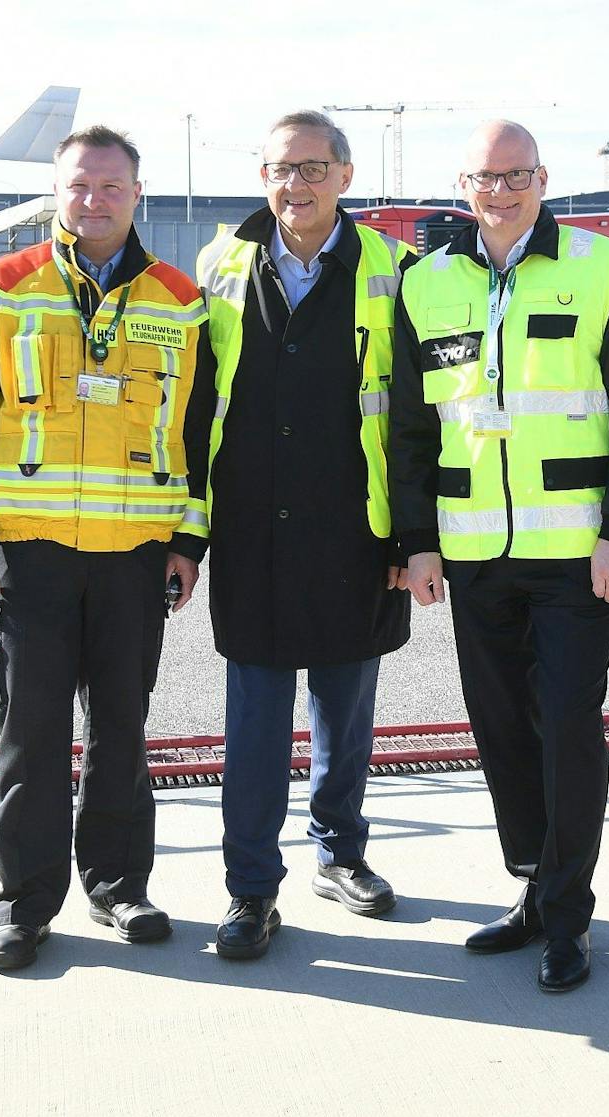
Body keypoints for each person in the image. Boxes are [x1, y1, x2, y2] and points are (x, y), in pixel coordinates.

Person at [0, 126, 212, 971]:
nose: (94, 200)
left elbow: (198, 436)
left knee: (124, 730)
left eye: (111, 187)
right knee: (33, 734)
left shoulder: (180, 300)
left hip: (134, 558)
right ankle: (23, 903)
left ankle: (119, 884)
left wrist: (188, 543)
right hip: (31, 554)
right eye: (80, 186)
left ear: (137, 193)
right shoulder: (0, 289)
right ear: (58, 192)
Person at [389, 120, 609, 993]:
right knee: (501, 725)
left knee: (569, 728)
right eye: (484, 177)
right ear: (462, 185)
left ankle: (570, 916)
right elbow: (408, 425)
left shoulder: (603, 269)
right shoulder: (423, 283)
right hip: (474, 553)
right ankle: (533, 887)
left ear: (543, 178)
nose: (500, 192)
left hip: (579, 553)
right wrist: (418, 541)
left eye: (516, 176)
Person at [188, 110, 415, 960]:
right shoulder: (220, 266)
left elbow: (415, 414)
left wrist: (409, 537)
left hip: (357, 529)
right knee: (252, 724)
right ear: (263, 176)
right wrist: (191, 531)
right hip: (250, 527)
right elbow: (196, 402)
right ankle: (250, 890)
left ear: (346, 176)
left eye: (315, 167)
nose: (298, 184)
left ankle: (341, 854)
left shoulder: (395, 270)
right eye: (283, 168)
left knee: (344, 715)